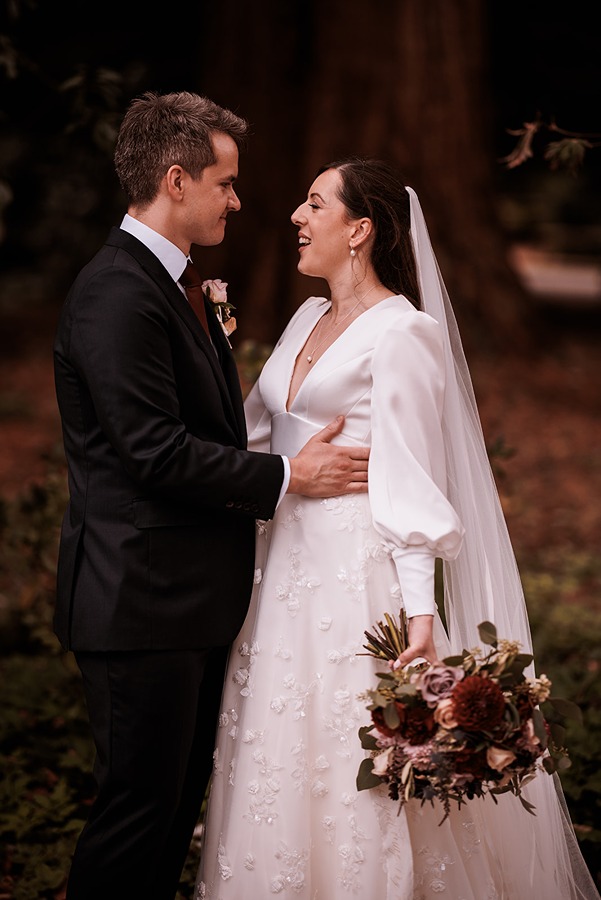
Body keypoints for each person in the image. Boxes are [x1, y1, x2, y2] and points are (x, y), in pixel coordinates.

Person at [196, 158, 600, 899]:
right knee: (274, 755)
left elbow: (411, 478)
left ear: (359, 230)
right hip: (277, 563)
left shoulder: (405, 333)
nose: (294, 215)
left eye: (313, 203)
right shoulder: (304, 317)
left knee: (353, 769)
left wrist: (419, 616)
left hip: (354, 574)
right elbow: (252, 437)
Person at [52, 92, 370, 900]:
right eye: (225, 183)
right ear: (175, 180)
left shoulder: (169, 283)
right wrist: (287, 478)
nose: (237, 199)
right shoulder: (116, 294)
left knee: (165, 822)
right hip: (138, 605)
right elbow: (153, 452)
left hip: (180, 603)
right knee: (134, 821)